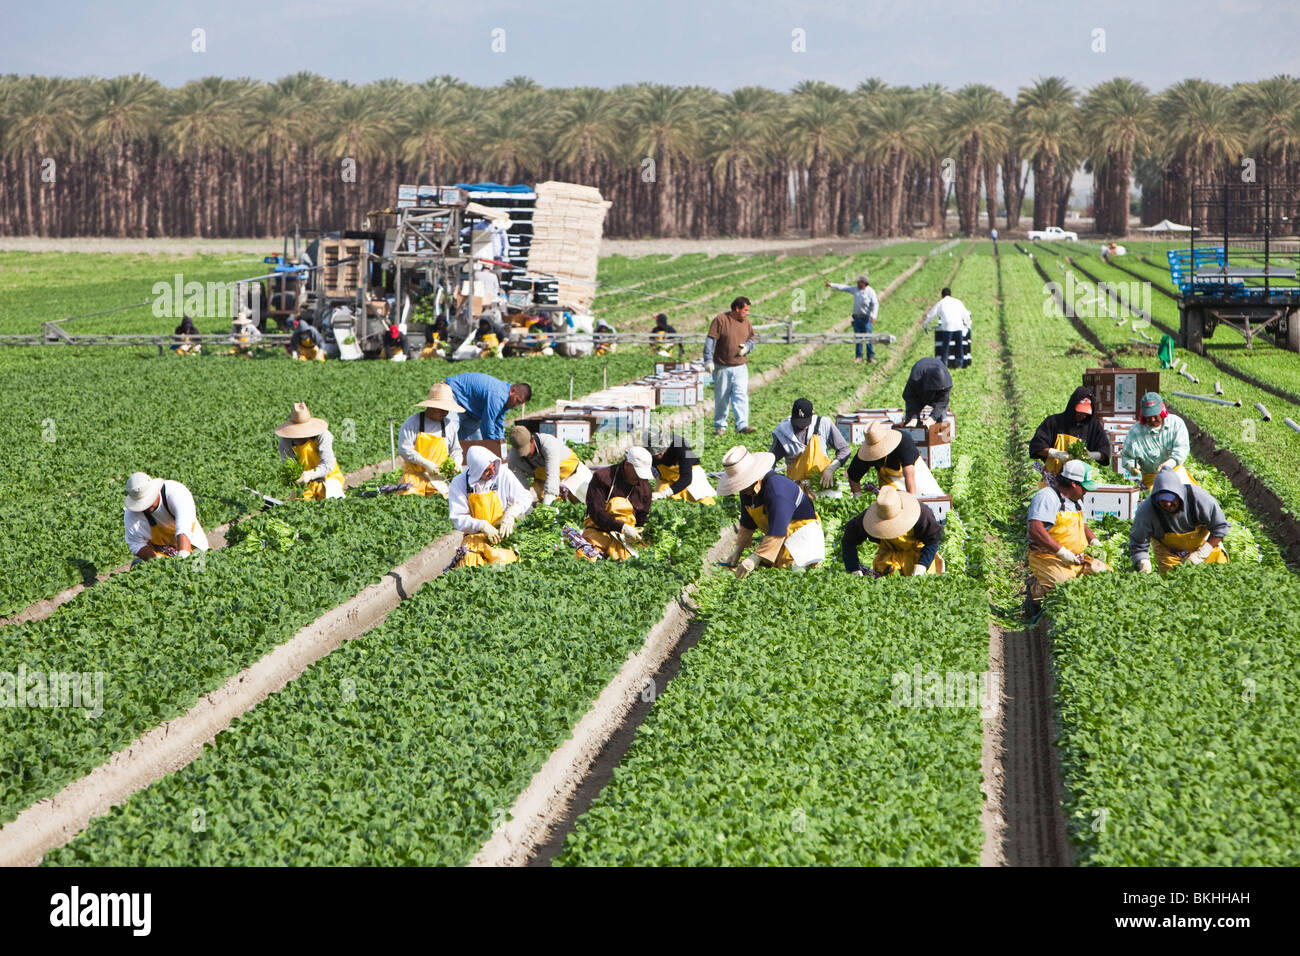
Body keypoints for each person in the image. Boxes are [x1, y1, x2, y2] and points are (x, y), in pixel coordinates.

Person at [717, 445, 825, 578]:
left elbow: (778, 531)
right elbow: (747, 524)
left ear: (753, 477)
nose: (740, 487)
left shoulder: (777, 490)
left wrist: (754, 559)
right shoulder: (747, 491)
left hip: (802, 542)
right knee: (773, 576)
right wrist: (737, 551)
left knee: (793, 578)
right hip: (779, 542)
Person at [1027, 459, 1111, 601]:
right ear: (1073, 484)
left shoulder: (1076, 501)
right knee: (1061, 585)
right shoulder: (1047, 497)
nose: (1085, 492)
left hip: (1077, 558)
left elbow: (1081, 525)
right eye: (1084, 488)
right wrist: (1061, 551)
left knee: (1107, 575)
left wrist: (1093, 540)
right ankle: (1034, 589)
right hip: (1048, 557)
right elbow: (1035, 529)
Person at [1129, 469, 1230, 573]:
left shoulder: (1199, 499)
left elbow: (1220, 527)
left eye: (1170, 499)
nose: (1167, 504)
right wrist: (1143, 561)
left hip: (1204, 546)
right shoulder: (1147, 510)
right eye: (1162, 500)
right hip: (1170, 553)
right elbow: (1138, 543)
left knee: (1218, 572)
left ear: (1179, 495)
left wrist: (1201, 554)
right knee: (1171, 582)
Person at [447, 446, 532, 568]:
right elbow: (458, 518)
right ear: (476, 471)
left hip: (500, 534)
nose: (492, 472)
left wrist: (511, 514)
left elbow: (525, 497)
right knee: (469, 564)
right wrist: (482, 526)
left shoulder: (502, 474)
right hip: (474, 537)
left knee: (503, 562)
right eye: (486, 470)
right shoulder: (459, 483)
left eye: (493, 466)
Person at [841, 485, 943, 576]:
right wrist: (853, 568)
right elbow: (848, 540)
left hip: (916, 556)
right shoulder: (865, 519)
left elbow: (933, 541)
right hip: (887, 559)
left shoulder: (922, 514)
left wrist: (922, 565)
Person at [580, 447, 655, 561]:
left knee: (627, 566)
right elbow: (596, 511)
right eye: (637, 472)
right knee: (585, 558)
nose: (640, 477)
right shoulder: (603, 477)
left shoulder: (645, 488)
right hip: (598, 530)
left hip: (625, 539)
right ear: (627, 464)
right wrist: (622, 527)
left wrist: (641, 533)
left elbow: (642, 518)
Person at [123, 472, 209, 562]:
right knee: (138, 563)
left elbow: (184, 529)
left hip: (193, 547)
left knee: (198, 570)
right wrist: (160, 564)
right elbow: (136, 544)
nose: (147, 506)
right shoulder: (132, 513)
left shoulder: (176, 493)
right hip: (161, 554)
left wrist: (182, 561)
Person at [769, 398, 851, 492]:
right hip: (795, 489)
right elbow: (771, 459)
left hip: (823, 483)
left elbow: (844, 449)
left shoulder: (823, 424)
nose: (801, 426)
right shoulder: (783, 432)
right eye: (798, 422)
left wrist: (831, 468)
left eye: (804, 422)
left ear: (812, 414)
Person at [398, 383, 464, 497]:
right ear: (431, 406)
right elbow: (404, 449)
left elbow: (456, 449)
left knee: (444, 500)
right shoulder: (413, 422)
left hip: (439, 481)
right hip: (414, 478)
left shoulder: (449, 425)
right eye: (441, 410)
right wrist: (425, 463)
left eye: (446, 410)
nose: (445, 413)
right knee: (409, 499)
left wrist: (457, 461)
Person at [1119, 391, 1196, 489]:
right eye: (1148, 416)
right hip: (1151, 479)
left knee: (1185, 494)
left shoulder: (1176, 424)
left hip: (1175, 473)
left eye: (1155, 415)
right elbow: (1126, 456)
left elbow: (1181, 450)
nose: (1152, 419)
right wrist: (1131, 467)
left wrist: (1168, 464)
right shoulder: (1135, 432)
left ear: (1162, 410)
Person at [846, 420, 943, 497]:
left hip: (916, 475)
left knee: (930, 498)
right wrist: (857, 496)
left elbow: (909, 475)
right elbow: (853, 476)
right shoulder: (867, 453)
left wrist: (912, 501)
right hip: (889, 481)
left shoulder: (903, 441)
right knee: (891, 507)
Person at [704, 296, 757, 436]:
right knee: (722, 397)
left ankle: (742, 425)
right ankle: (720, 426)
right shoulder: (721, 320)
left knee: (741, 396)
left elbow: (751, 338)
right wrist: (708, 360)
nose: (747, 313)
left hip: (740, 366)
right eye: (745, 310)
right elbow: (710, 341)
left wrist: (747, 347)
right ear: (737, 309)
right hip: (722, 367)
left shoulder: (746, 322)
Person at [1028, 386, 1110, 475]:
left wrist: (1092, 455)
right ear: (1072, 408)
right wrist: (1057, 454)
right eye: (1079, 412)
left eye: (1085, 414)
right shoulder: (1053, 422)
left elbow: (1104, 452)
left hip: (1079, 478)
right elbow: (1037, 447)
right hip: (1053, 475)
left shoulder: (1094, 426)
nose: (1083, 416)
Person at [506, 425, 593, 506]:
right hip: (544, 484)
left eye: (527, 450)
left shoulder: (548, 443)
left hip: (574, 476)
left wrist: (547, 506)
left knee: (587, 505)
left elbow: (552, 476)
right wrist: (526, 507)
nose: (525, 455)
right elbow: (520, 488)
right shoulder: (513, 458)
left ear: (532, 439)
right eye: (521, 453)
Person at [275, 402, 345, 500]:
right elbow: (289, 466)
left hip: (328, 477)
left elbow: (328, 464)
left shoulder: (323, 436)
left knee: (329, 499)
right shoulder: (285, 442)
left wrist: (310, 474)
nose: (299, 438)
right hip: (305, 481)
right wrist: (297, 479)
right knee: (299, 505)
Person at [445, 372, 532, 443]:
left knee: (475, 443)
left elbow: (498, 423)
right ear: (512, 391)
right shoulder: (498, 396)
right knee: (449, 434)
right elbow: (487, 424)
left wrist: (501, 444)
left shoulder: (506, 399)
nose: (516, 405)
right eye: (517, 401)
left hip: (469, 409)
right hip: (455, 394)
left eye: (519, 404)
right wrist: (493, 446)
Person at [645, 430, 716, 504]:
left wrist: (663, 494)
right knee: (661, 502)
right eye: (654, 453)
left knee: (702, 500)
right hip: (667, 477)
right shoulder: (644, 451)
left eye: (660, 451)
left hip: (691, 472)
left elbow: (687, 478)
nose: (658, 455)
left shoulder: (680, 444)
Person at [825, 274, 879, 364]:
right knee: (858, 338)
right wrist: (831, 285)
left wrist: (873, 316)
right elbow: (843, 287)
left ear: (864, 283)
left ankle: (870, 357)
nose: (857, 283)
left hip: (866, 318)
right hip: (857, 318)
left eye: (859, 282)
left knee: (868, 337)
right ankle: (859, 357)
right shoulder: (855, 289)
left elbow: (875, 304)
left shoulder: (870, 292)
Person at [924, 287, 972, 368]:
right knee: (959, 346)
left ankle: (944, 363)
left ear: (942, 295)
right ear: (951, 294)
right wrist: (968, 325)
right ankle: (959, 362)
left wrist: (926, 324)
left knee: (945, 346)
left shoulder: (941, 303)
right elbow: (966, 314)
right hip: (958, 325)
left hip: (947, 326)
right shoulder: (957, 302)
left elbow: (932, 314)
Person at [902, 356, 953, 426]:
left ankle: (938, 433)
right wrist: (913, 417)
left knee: (940, 419)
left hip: (936, 393)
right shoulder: (916, 378)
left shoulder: (947, 383)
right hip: (920, 393)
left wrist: (932, 418)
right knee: (911, 424)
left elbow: (942, 401)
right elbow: (909, 397)